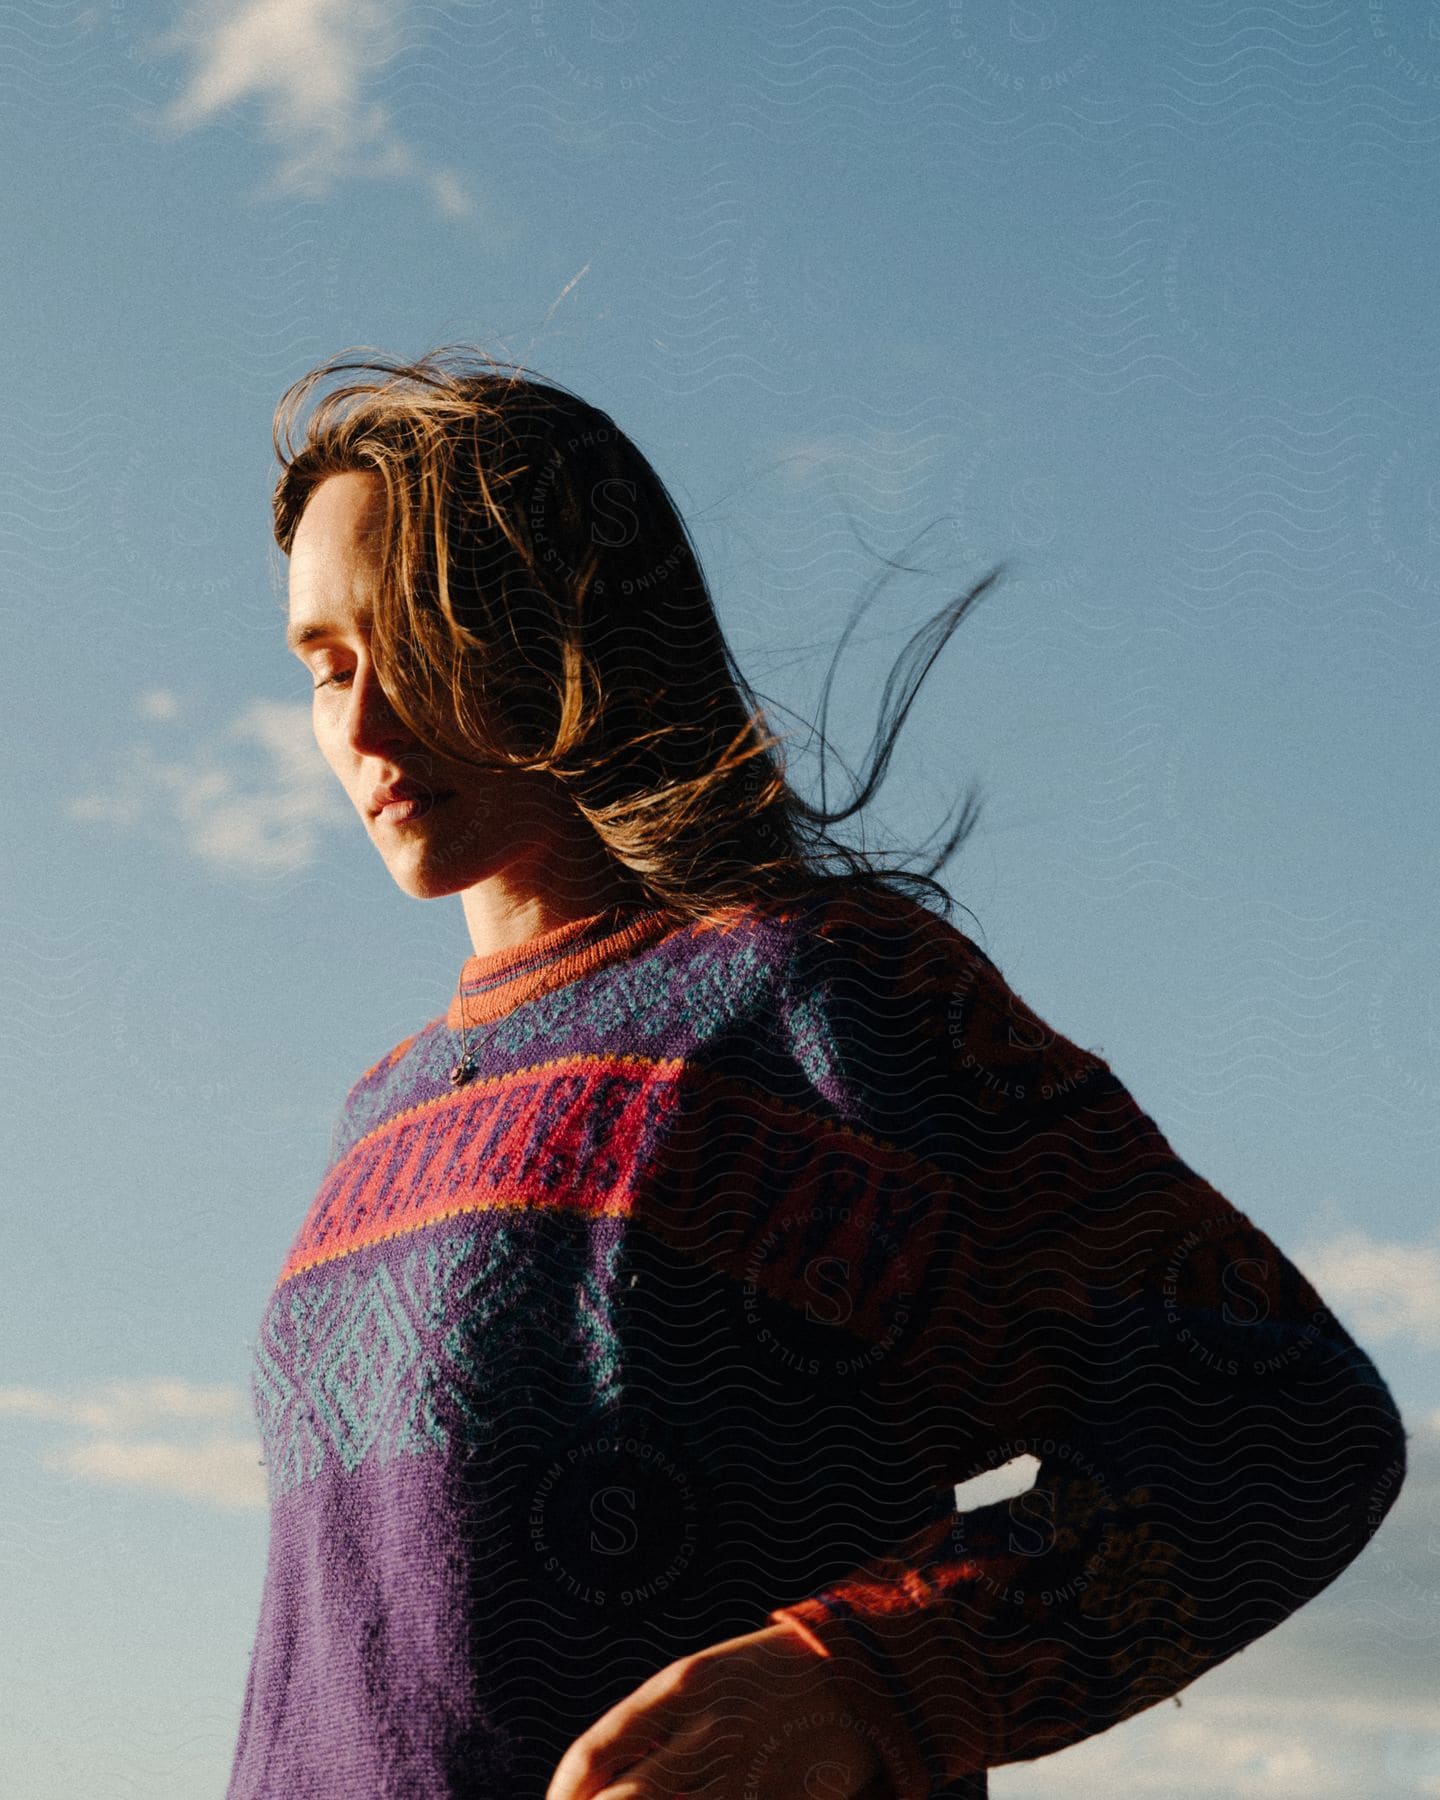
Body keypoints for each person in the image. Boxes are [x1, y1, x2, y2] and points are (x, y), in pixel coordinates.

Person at [226, 348, 1408, 1800]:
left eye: (421, 637)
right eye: (325, 663)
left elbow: (1289, 1435)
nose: (360, 721)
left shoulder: (826, 993)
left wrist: (868, 1684)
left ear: (570, 626)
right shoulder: (382, 1109)